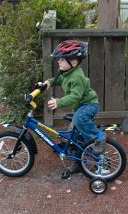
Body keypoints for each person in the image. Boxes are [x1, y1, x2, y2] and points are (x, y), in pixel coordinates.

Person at [43, 40, 106, 174]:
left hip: (89, 105)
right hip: (82, 106)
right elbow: (60, 80)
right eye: (58, 59)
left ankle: (99, 137)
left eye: (61, 60)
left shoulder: (77, 76)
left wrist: (59, 102)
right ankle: (79, 162)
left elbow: (75, 97)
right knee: (76, 136)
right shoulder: (68, 73)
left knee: (78, 120)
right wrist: (50, 82)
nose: (58, 62)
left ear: (74, 63)